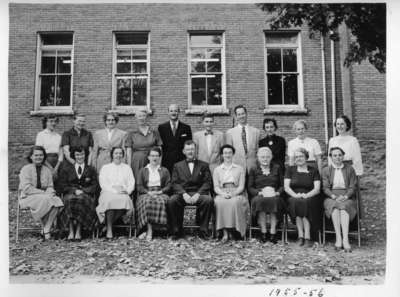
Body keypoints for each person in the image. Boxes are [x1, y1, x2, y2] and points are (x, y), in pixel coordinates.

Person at [167, 140, 213, 240]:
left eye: (192, 149)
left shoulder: (204, 165)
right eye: (188, 149)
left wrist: (198, 194)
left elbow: (207, 182)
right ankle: (176, 230)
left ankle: (203, 230)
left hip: (198, 193)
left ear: (196, 150)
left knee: (208, 200)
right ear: (184, 151)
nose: (190, 151)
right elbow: (174, 183)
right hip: (183, 193)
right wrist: (183, 194)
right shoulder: (177, 165)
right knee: (172, 201)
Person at [18, 146, 64, 240]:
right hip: (28, 197)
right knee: (47, 199)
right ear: (31, 157)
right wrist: (44, 193)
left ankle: (46, 227)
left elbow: (50, 186)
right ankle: (46, 229)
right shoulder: (25, 169)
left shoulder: (47, 170)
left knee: (57, 201)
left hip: (44, 197)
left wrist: (50, 192)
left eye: (41, 155)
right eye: (36, 155)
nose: (39, 157)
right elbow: (27, 188)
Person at [57, 147, 98, 241]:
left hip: (85, 195)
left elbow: (95, 185)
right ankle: (71, 230)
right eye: (77, 155)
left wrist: (84, 190)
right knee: (70, 200)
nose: (80, 157)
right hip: (71, 194)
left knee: (81, 200)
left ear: (86, 155)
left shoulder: (91, 169)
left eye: (82, 154)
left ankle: (79, 230)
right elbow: (63, 185)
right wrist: (74, 190)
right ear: (73, 156)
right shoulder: (67, 169)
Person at [322, 147, 358, 252]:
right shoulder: (326, 170)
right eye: (335, 155)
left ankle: (345, 239)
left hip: (347, 196)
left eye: (339, 155)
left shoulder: (350, 169)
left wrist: (346, 196)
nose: (337, 157)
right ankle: (338, 238)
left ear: (343, 156)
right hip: (331, 197)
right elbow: (325, 188)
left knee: (343, 208)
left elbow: (352, 187)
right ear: (331, 157)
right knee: (334, 207)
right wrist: (334, 196)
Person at [284, 148, 321, 247]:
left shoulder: (314, 170)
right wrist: (295, 195)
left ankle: (307, 237)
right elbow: (286, 187)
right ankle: (300, 236)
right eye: (296, 157)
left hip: (310, 196)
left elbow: (317, 189)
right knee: (294, 202)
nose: (298, 158)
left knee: (304, 203)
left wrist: (307, 195)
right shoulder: (290, 170)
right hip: (294, 195)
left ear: (306, 157)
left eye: (301, 156)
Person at [96, 147, 135, 240]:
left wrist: (128, 191)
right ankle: (109, 230)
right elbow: (103, 183)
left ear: (123, 155)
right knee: (110, 201)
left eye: (120, 153)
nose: (118, 155)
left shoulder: (127, 168)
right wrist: (114, 191)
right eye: (116, 153)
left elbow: (131, 182)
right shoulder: (105, 168)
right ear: (112, 155)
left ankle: (108, 226)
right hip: (108, 191)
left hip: (123, 192)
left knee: (125, 201)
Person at [248, 147, 285, 243]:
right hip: (259, 195)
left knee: (274, 201)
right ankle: (263, 232)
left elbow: (282, 185)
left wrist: (277, 193)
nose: (265, 159)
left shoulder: (277, 168)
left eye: (267, 157)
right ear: (258, 158)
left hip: (275, 195)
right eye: (262, 157)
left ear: (271, 157)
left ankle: (273, 232)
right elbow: (250, 187)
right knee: (260, 201)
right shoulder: (253, 169)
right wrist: (259, 193)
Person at [213, 144, 248, 241]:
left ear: (233, 154)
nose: (227, 155)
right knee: (219, 202)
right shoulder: (217, 170)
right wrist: (222, 194)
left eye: (229, 153)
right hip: (222, 192)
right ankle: (224, 232)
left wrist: (233, 194)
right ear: (222, 155)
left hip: (236, 192)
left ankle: (234, 231)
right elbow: (216, 187)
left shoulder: (239, 168)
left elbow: (241, 186)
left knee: (234, 202)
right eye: (225, 153)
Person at [136, 147, 171, 240]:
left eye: (156, 156)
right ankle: (149, 229)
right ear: (148, 157)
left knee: (162, 201)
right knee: (147, 202)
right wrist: (148, 192)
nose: (154, 158)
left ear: (160, 157)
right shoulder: (143, 170)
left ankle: (159, 229)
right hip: (146, 192)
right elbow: (139, 186)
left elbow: (169, 185)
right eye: (152, 156)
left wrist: (160, 191)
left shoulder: (164, 170)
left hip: (160, 192)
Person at [126, 109, 162, 179]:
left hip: (152, 159)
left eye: (143, 116)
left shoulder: (154, 131)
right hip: (137, 161)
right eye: (139, 116)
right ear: (136, 118)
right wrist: (129, 166)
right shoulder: (132, 132)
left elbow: (159, 148)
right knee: (138, 179)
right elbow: (129, 151)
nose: (141, 118)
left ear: (147, 117)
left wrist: (159, 163)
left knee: (152, 179)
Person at [225, 105, 260, 173]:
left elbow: (257, 150)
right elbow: (228, 153)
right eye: (239, 114)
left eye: (243, 113)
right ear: (236, 116)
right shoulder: (230, 132)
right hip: (236, 168)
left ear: (246, 114)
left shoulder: (256, 132)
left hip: (253, 168)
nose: (241, 116)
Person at [158, 104, 192, 173]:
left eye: (175, 111)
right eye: (171, 111)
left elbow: (189, 146)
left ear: (179, 112)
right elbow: (160, 146)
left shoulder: (186, 128)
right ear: (168, 112)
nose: (173, 113)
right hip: (166, 162)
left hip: (182, 162)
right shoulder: (162, 128)